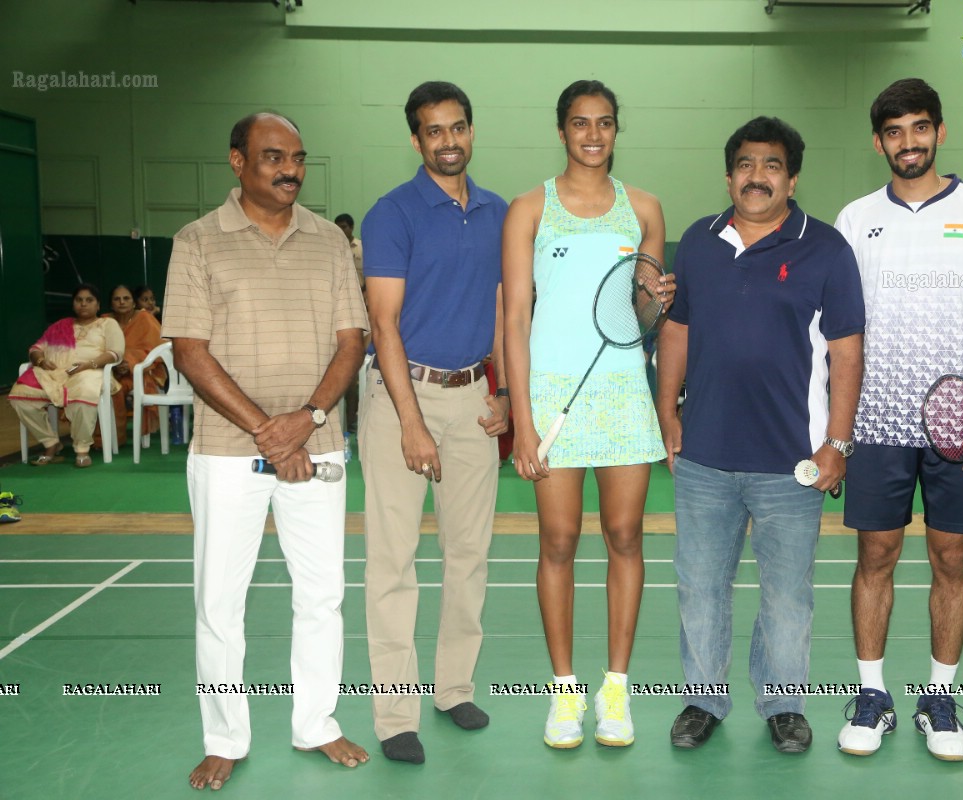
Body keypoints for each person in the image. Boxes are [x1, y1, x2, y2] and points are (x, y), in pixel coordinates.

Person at [161, 111, 369, 791]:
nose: (290, 170)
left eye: (299, 158)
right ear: (237, 161)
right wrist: (270, 432)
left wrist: (305, 421)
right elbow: (190, 352)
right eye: (274, 157)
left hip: (319, 443)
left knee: (322, 597)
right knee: (219, 602)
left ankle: (317, 724)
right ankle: (225, 736)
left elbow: (351, 342)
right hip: (226, 451)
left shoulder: (330, 244)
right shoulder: (196, 242)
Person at [655, 116, 864, 754]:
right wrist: (668, 412)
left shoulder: (825, 249)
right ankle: (702, 700)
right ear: (728, 175)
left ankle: (783, 703)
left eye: (771, 165)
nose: (757, 176)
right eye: (745, 164)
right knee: (699, 586)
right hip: (704, 457)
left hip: (790, 461)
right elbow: (676, 331)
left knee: (787, 594)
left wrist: (838, 443)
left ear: (792, 179)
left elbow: (847, 352)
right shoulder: (697, 240)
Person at [834, 78, 963, 762]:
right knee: (875, 556)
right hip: (877, 422)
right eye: (893, 132)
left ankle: (939, 699)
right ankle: (872, 695)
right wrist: (835, 428)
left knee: (952, 557)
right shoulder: (856, 219)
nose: (907, 143)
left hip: (960, 426)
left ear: (939, 130)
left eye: (918, 128)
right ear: (878, 141)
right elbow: (840, 332)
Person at [503, 79, 674, 750]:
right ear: (562, 129)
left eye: (605, 122)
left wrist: (657, 299)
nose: (593, 134)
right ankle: (564, 693)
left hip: (623, 394)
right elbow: (516, 319)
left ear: (616, 128)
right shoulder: (528, 210)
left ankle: (615, 691)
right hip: (551, 398)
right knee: (558, 543)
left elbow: (642, 319)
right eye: (580, 122)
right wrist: (522, 419)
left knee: (626, 536)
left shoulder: (647, 210)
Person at [359, 81, 509, 765]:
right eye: (432, 131)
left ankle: (453, 688)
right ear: (416, 140)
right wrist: (410, 423)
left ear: (471, 132)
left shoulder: (499, 212)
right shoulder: (391, 213)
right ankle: (395, 716)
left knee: (469, 554)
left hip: (474, 398)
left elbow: (507, 311)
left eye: (457, 128)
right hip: (402, 395)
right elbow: (383, 323)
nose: (447, 141)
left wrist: (503, 396)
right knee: (393, 560)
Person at [10, 283, 124, 468]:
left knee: (85, 391)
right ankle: (50, 443)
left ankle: (82, 449)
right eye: (79, 300)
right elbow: (36, 348)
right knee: (19, 396)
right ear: (73, 304)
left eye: (89, 300)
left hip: (91, 371)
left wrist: (89, 364)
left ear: (98, 305)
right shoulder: (60, 326)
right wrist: (40, 361)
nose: (83, 304)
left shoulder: (107, 324)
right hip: (54, 374)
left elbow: (116, 353)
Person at [99, 284, 167, 447]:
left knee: (118, 388)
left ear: (134, 303)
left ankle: (116, 439)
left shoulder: (144, 318)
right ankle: (103, 439)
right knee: (106, 387)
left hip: (140, 372)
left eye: (126, 298)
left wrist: (128, 362)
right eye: (117, 299)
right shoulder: (104, 321)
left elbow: (157, 349)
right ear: (111, 303)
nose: (122, 302)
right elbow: (95, 347)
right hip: (108, 371)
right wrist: (114, 365)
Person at [334, 213, 364, 287]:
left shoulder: (362, 246)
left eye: (343, 227)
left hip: (361, 292)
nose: (340, 231)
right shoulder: (333, 248)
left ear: (352, 227)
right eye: (337, 228)